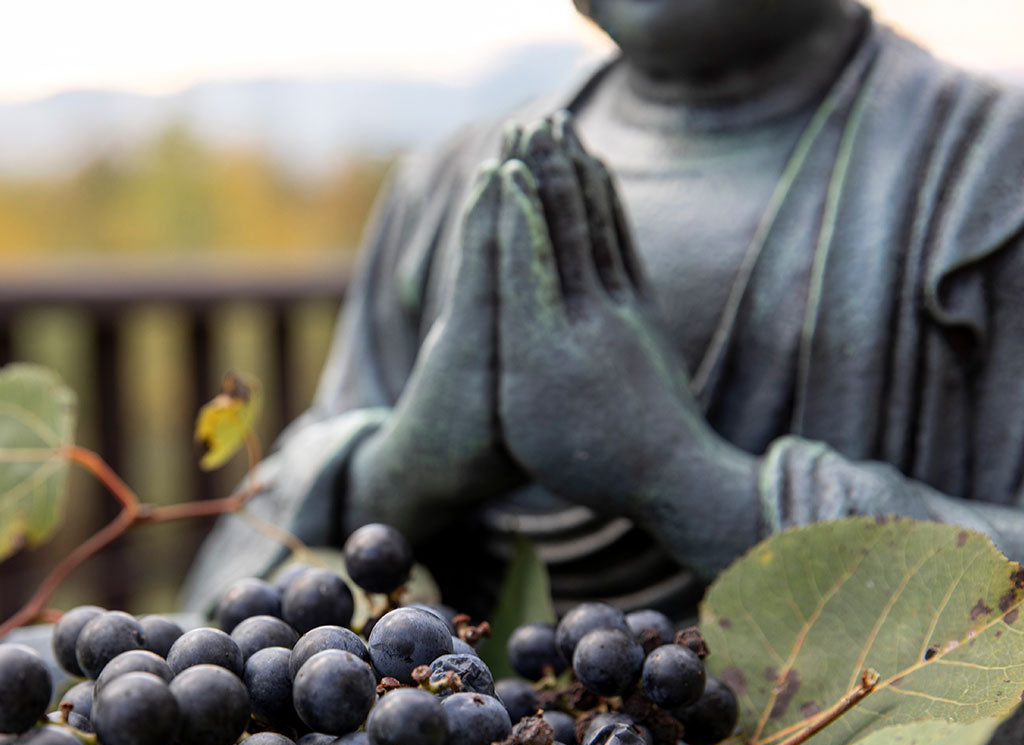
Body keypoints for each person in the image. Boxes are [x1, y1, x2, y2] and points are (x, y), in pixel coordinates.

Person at [184, 0, 1024, 622]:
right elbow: (231, 592)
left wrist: (694, 486)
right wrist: (405, 467)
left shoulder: (987, 183)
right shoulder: (448, 186)